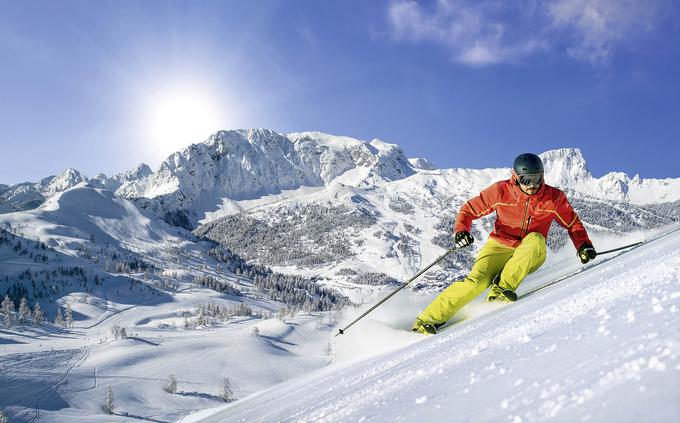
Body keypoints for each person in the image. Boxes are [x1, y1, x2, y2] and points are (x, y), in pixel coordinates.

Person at [412, 153, 596, 335]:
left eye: (537, 179)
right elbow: (468, 210)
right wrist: (461, 230)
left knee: (536, 239)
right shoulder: (501, 191)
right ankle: (426, 321)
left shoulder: (554, 198)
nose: (532, 185)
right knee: (475, 283)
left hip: (530, 251)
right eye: (526, 180)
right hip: (499, 244)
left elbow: (573, 223)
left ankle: (501, 290)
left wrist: (583, 245)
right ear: (516, 178)